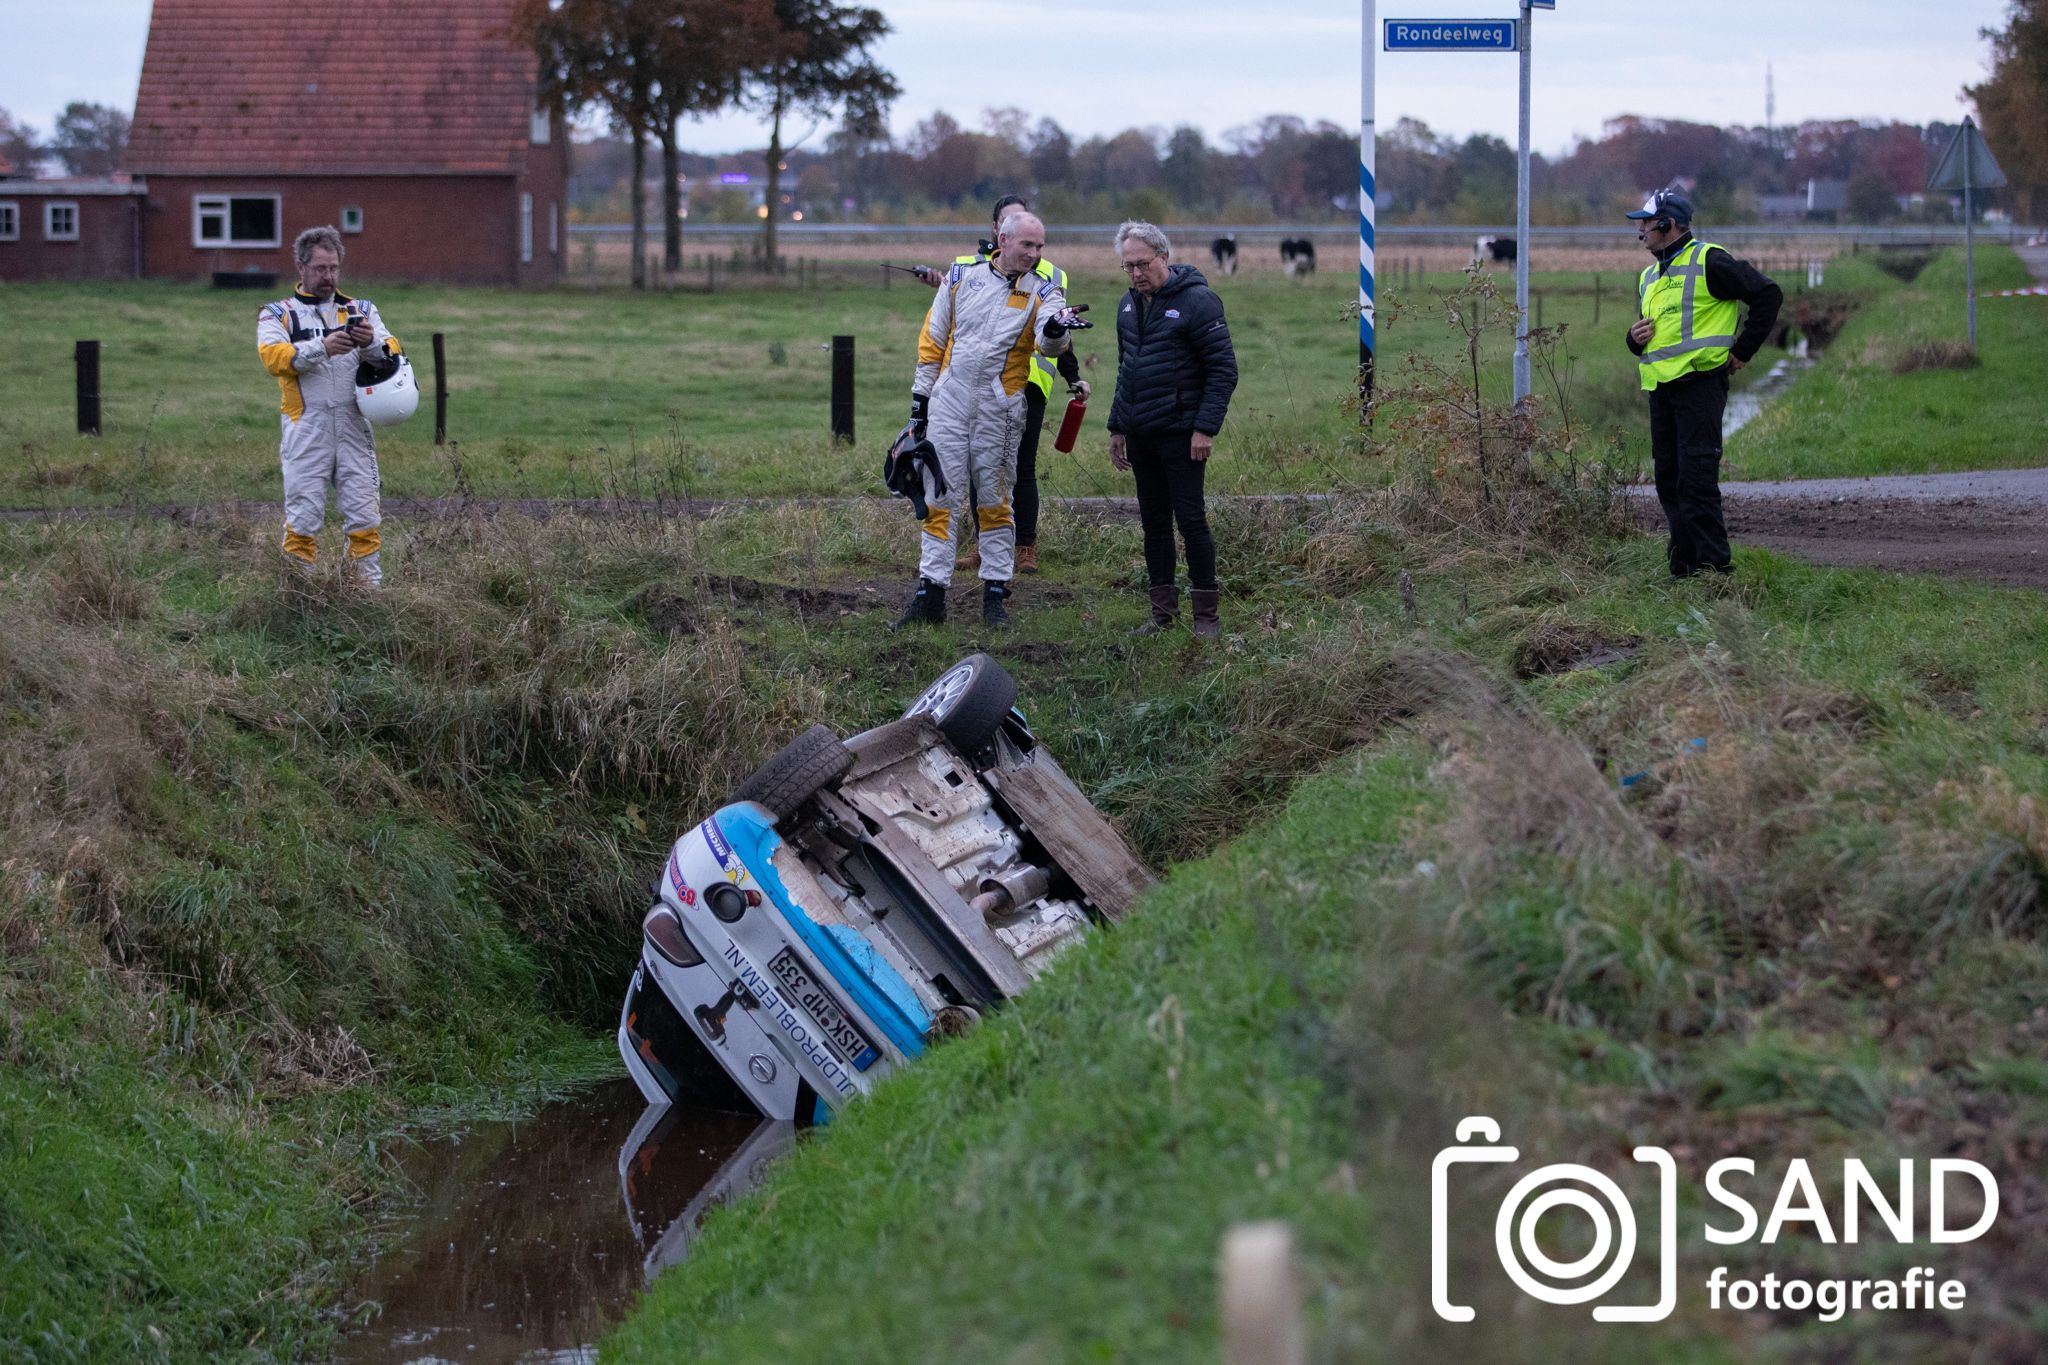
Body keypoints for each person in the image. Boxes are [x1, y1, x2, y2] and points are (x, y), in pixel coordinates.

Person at [894, 210, 1085, 630]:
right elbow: (933, 341)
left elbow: (1050, 345)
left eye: (1040, 247)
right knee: (938, 496)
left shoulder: (1045, 289)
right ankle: (930, 595)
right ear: (1003, 238)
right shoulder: (962, 273)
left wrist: (1055, 329)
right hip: (950, 401)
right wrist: (919, 406)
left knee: (996, 501)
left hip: (1000, 408)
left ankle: (995, 596)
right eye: (1027, 245)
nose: (1034, 255)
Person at [925, 195, 1089, 575]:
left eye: (1037, 241)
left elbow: (1059, 328)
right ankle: (980, 548)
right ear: (998, 231)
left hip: (1027, 384)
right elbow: (953, 320)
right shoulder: (969, 269)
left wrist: (1072, 374)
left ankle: (1024, 547)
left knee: (1020, 466)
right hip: (968, 388)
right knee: (974, 469)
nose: (1031, 249)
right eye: (1013, 226)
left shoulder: (1049, 277)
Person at [1625, 186, 1781, 578]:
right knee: (1669, 483)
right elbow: (1653, 337)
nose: (1640, 230)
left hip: (1700, 387)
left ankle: (1715, 571)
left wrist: (1743, 351)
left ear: (1669, 224)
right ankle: (1683, 569)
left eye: (1645, 223)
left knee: (1696, 482)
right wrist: (1632, 339)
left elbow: (1768, 295)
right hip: (1661, 391)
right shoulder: (1648, 276)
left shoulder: (1710, 260)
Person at [1106, 220, 1238, 639]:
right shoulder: (1127, 306)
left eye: (1142, 264)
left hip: (1182, 434)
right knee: (1154, 524)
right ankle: (1162, 615)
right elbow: (1126, 371)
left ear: (1164, 256)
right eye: (1127, 266)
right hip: (1141, 433)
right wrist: (1117, 427)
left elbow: (1223, 370)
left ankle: (1206, 618)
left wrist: (1204, 428)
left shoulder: (1199, 302)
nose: (1135, 273)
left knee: (1192, 521)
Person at [256, 225, 405, 585]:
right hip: (306, 428)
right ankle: (298, 599)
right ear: (301, 267)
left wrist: (368, 343)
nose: (328, 276)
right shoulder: (278, 314)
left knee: (364, 517)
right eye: (320, 269)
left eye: (334, 268)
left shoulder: (362, 309)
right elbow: (273, 358)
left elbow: (394, 354)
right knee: (303, 519)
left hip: (355, 426)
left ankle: (366, 596)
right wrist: (322, 348)